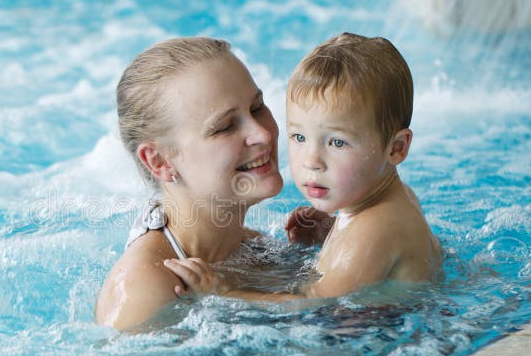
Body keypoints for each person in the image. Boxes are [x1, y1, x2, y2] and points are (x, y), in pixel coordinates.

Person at [165, 32, 442, 298]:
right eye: (299, 137)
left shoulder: (373, 230)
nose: (311, 161)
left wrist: (226, 291)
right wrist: (330, 233)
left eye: (337, 142)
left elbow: (314, 304)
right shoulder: (394, 200)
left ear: (396, 148)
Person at [96, 37, 292, 330]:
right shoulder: (144, 293)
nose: (262, 134)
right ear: (160, 162)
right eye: (225, 127)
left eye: (257, 107)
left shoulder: (253, 244)